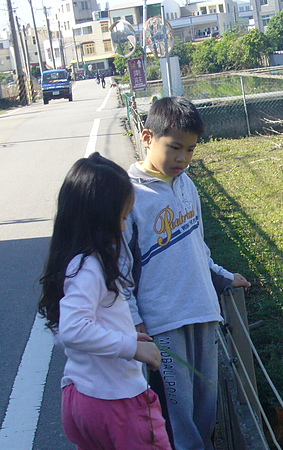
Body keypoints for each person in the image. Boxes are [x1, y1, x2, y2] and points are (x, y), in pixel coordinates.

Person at [124, 96, 251, 450]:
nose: (182, 158)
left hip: (203, 311)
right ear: (148, 138)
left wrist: (224, 277)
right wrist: (135, 323)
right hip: (162, 322)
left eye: (191, 150)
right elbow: (119, 271)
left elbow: (198, 248)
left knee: (206, 409)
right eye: (174, 147)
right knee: (176, 415)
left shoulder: (187, 185)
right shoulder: (128, 195)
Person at [38, 153, 172, 449]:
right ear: (98, 219)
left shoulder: (72, 263)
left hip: (81, 399)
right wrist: (131, 347)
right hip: (117, 404)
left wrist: (126, 335)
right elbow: (75, 330)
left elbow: (69, 328)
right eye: (122, 218)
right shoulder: (91, 267)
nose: (123, 228)